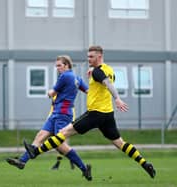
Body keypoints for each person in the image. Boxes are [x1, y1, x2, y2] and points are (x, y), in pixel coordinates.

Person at [24, 45, 156, 179]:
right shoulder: (108, 69)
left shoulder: (98, 72)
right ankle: (145, 163)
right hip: (107, 114)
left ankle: (36, 152)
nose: (88, 59)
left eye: (91, 57)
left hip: (95, 113)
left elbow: (108, 83)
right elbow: (105, 81)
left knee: (63, 133)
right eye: (88, 56)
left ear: (99, 56)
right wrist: (93, 72)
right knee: (120, 143)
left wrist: (117, 98)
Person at [6, 55, 92, 181]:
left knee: (60, 146)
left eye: (59, 65)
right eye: (56, 66)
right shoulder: (77, 78)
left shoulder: (65, 76)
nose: (57, 68)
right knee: (40, 135)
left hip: (62, 114)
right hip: (57, 113)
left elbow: (52, 93)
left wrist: (49, 92)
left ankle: (84, 168)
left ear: (67, 65)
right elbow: (89, 91)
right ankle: (22, 161)